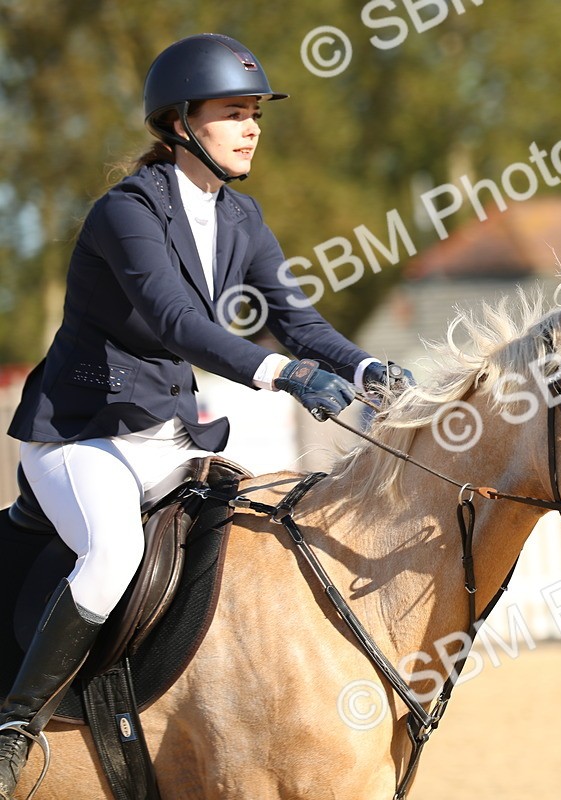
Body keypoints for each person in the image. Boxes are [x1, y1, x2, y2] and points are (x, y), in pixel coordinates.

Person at [0, 34, 411, 795]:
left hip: (167, 440)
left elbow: (295, 317)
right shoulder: (125, 213)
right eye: (234, 113)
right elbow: (173, 320)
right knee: (115, 553)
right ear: (181, 122)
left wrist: (363, 367)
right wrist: (284, 375)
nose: (252, 127)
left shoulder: (241, 218)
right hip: (80, 437)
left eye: (255, 114)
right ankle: (16, 724)